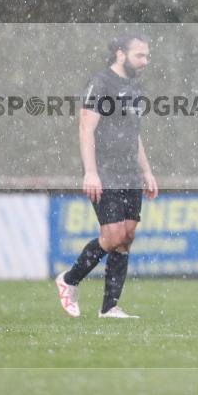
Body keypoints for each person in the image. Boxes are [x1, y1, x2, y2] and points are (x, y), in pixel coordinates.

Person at [55, 33, 158, 318]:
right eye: (140, 55)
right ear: (120, 54)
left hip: (129, 172)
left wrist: (146, 171)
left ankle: (110, 307)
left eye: (147, 55)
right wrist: (91, 172)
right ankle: (69, 279)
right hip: (105, 170)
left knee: (126, 236)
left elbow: (133, 134)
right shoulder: (100, 84)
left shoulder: (135, 86)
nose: (145, 61)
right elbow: (85, 129)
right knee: (112, 236)